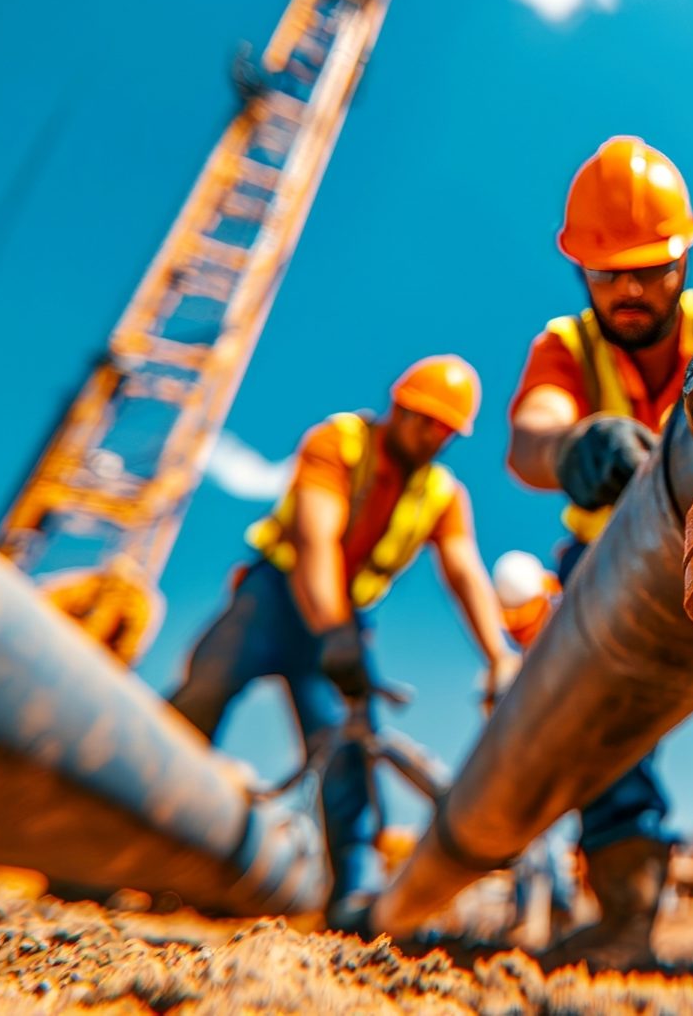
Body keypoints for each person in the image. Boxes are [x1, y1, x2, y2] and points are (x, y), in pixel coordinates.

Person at [170, 354, 518, 908]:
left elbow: (463, 569)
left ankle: (353, 892)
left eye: (446, 431)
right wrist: (333, 632)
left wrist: (499, 654)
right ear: (398, 407)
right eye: (425, 420)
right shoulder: (340, 442)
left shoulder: (443, 495)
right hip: (275, 598)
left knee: (348, 748)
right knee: (201, 696)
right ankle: (129, 826)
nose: (434, 437)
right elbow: (315, 541)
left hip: (342, 621)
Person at [506, 135, 693, 968]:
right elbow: (528, 436)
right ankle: (625, 913)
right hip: (608, 568)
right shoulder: (569, 344)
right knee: (602, 723)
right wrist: (573, 447)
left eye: (649, 269)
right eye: (607, 272)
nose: (628, 288)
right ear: (581, 271)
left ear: (684, 262)